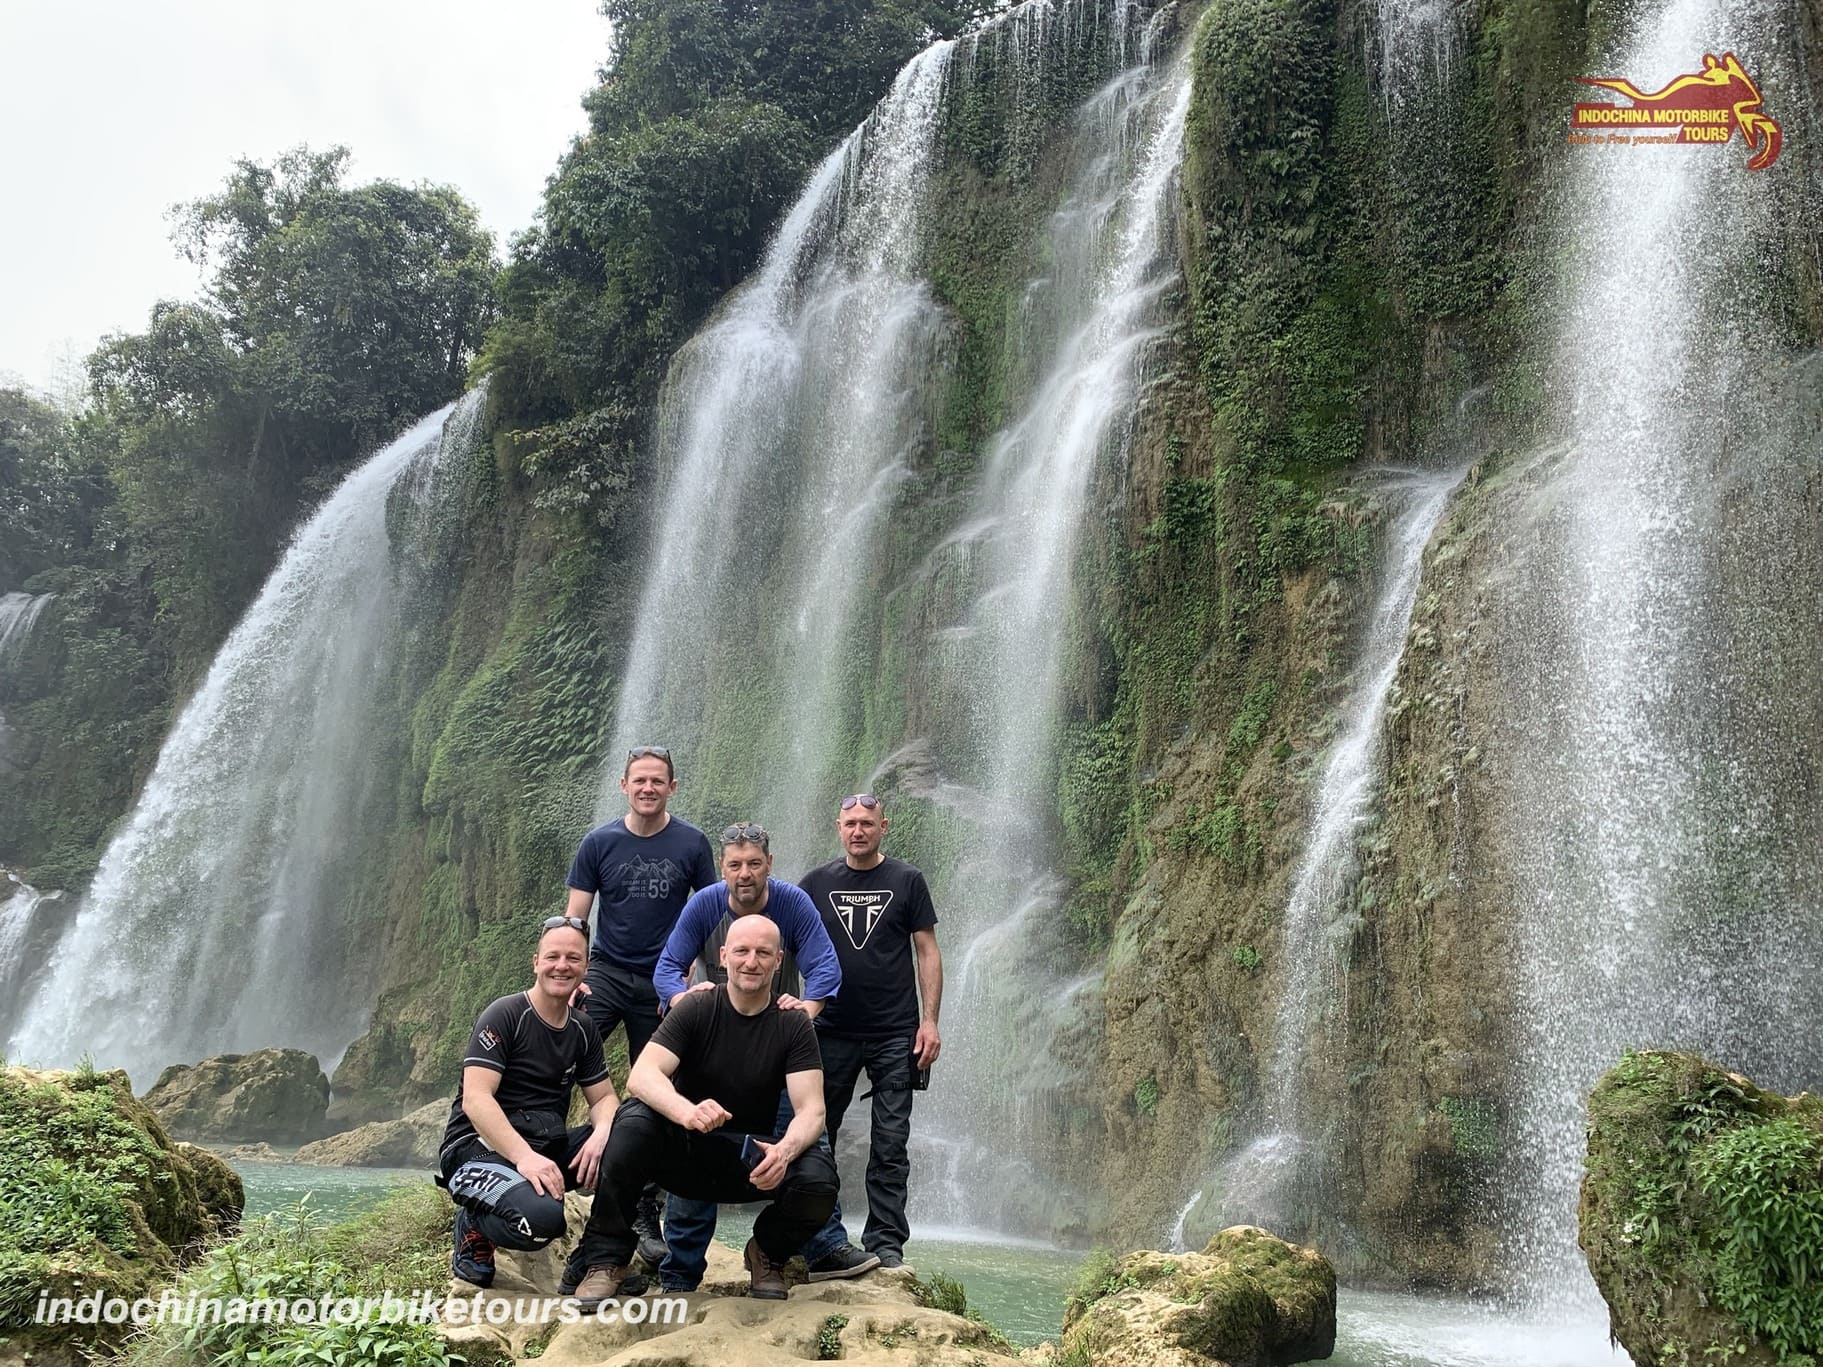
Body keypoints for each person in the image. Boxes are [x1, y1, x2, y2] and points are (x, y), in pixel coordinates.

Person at [567, 914, 837, 1306]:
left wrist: (784, 1151)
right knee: (631, 1124)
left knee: (819, 1178)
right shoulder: (696, 1008)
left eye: (763, 953)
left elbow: (812, 1110)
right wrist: (687, 1112)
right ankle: (605, 1259)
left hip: (752, 1161)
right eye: (742, 951)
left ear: (778, 961)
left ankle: (768, 1252)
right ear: (724, 956)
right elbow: (642, 1076)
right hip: (686, 1154)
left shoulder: (793, 1024)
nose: (751, 961)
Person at [647, 822, 844, 1292]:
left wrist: (805, 1010)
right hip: (711, 1046)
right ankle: (680, 1270)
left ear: (769, 866)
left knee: (807, 1141)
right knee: (697, 1146)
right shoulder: (704, 904)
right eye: (735, 865)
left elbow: (825, 967)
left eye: (754, 864)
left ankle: (819, 1247)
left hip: (776, 1045)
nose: (744, 874)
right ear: (722, 868)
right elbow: (667, 970)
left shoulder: (793, 903)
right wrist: (686, 1003)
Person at [563, 744, 716, 1262]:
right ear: (624, 786)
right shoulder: (599, 842)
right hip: (605, 970)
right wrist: (571, 976)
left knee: (658, 1088)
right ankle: (539, 1157)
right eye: (639, 780)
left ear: (672, 787)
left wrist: (700, 982)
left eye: (658, 781)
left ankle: (644, 1208)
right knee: (563, 1047)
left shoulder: (692, 843)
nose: (648, 788)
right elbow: (576, 919)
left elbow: (711, 914)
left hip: (664, 977)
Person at [795, 793, 942, 1272]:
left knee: (891, 1142)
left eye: (868, 823)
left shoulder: (907, 879)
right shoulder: (815, 883)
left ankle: (885, 1241)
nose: (858, 831)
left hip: (895, 1033)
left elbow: (927, 950)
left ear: (884, 826)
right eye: (850, 823)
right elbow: (780, 943)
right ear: (838, 827)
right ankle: (818, 1235)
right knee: (816, 1134)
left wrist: (930, 1021)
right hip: (828, 1030)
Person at [437, 916, 618, 1289]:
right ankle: (473, 1224)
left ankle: (596, 1255)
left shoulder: (583, 1029)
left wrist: (602, 1133)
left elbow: (603, 1097)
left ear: (585, 966)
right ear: (536, 962)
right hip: (477, 1149)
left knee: (634, 1138)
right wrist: (525, 1157)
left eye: (573, 958)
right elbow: (476, 1100)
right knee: (542, 1222)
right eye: (553, 956)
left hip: (544, 1147)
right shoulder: (505, 1016)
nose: (562, 966)